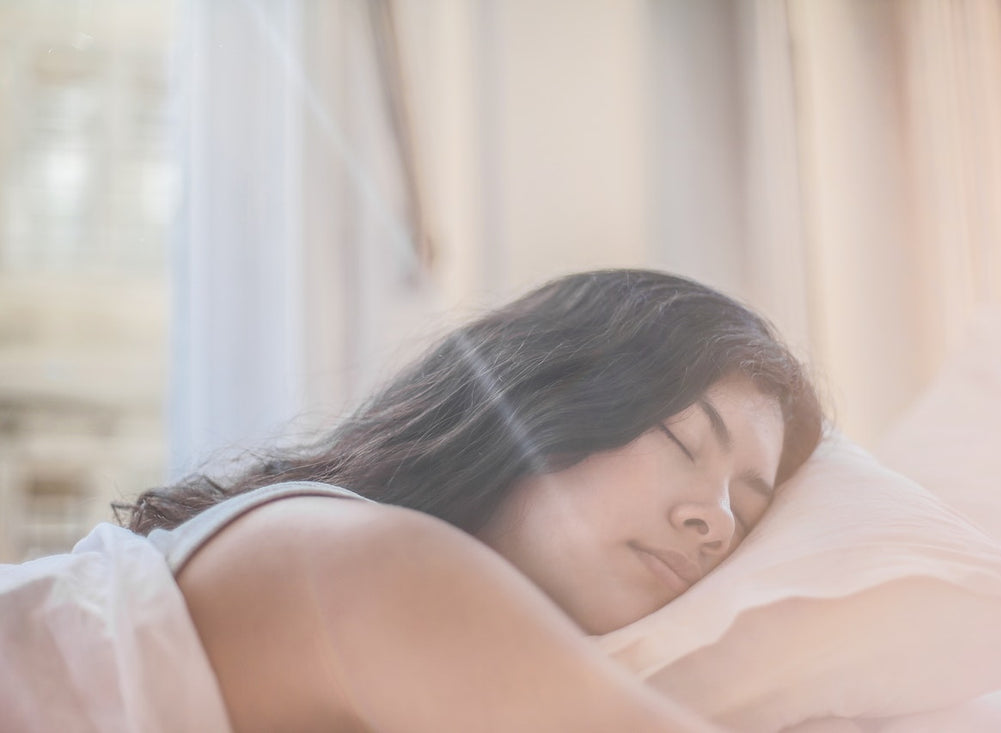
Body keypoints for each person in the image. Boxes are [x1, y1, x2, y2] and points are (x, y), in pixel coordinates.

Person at [3, 269, 823, 732]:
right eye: (684, 443)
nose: (714, 519)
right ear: (545, 396)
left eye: (745, 511)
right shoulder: (374, 563)